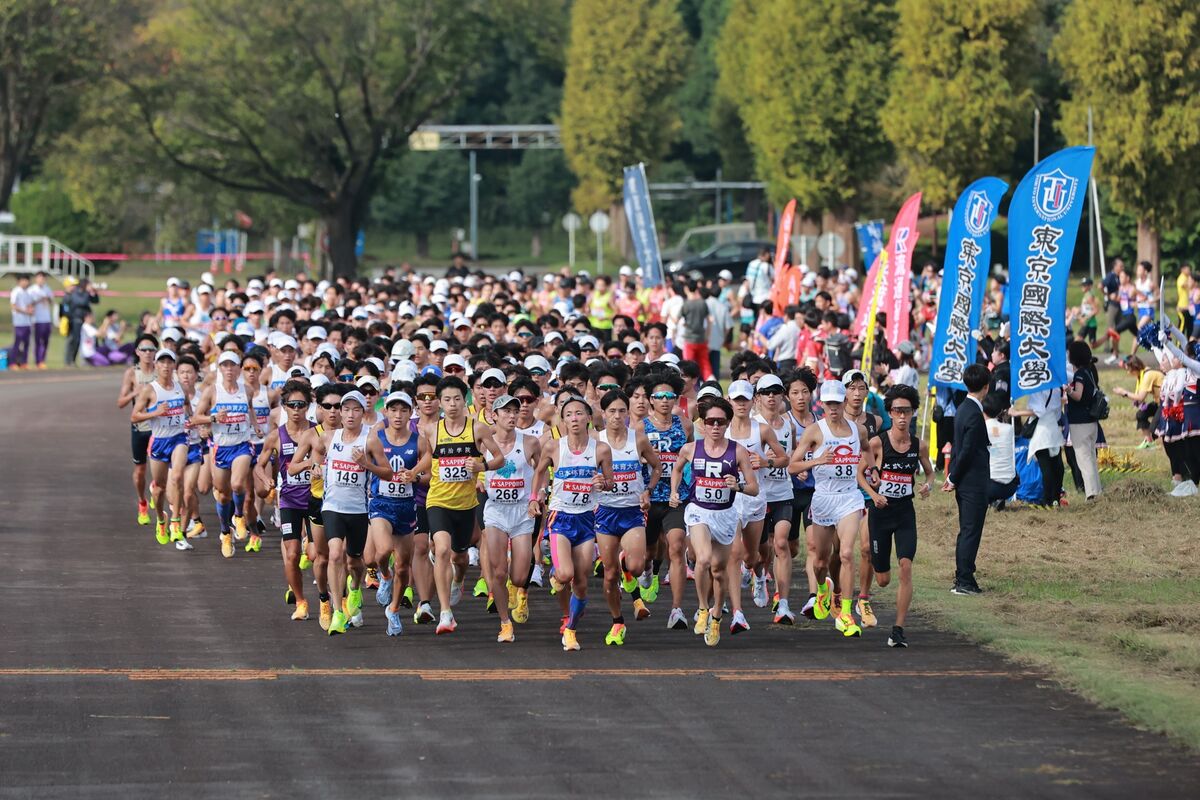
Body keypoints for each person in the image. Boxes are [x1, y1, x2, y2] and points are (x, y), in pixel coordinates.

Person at [670, 395, 760, 647]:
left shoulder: (738, 451)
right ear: (703, 424)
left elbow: (754, 488)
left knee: (719, 571)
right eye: (711, 421)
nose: (716, 426)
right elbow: (677, 468)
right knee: (704, 559)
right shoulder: (691, 449)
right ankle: (701, 608)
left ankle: (717, 614)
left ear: (728, 423)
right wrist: (674, 491)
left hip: (726, 514)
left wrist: (738, 485)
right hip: (699, 511)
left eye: (721, 421)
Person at [421, 375, 505, 635]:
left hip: (466, 505)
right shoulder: (431, 430)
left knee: (459, 555)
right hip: (438, 501)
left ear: (464, 399)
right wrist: (414, 473)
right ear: (440, 403)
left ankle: (459, 578)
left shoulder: (477, 428)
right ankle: (445, 613)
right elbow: (428, 460)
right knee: (442, 549)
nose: (452, 404)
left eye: (457, 398)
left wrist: (482, 467)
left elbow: (500, 458)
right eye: (447, 399)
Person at [530, 393, 613, 651]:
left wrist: (603, 483)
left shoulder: (600, 449)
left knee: (582, 582)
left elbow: (609, 483)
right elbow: (540, 470)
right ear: (563, 420)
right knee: (565, 574)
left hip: (587, 519)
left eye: (579, 413)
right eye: (568, 415)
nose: (574, 418)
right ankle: (558, 576)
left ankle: (571, 629)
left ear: (589, 418)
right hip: (560, 516)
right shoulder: (555, 446)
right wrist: (535, 497)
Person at [860, 385, 934, 648]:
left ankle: (898, 629)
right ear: (890, 413)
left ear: (914, 413)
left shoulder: (919, 446)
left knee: (906, 566)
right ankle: (865, 594)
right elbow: (861, 473)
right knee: (883, 579)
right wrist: (873, 494)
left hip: (905, 513)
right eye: (897, 411)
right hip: (880, 514)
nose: (902, 416)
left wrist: (929, 485)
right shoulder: (878, 442)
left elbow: (929, 472)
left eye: (907, 411)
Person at [793, 380, 868, 637]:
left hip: (849, 498)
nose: (833, 408)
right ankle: (824, 589)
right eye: (829, 403)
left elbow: (868, 453)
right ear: (821, 403)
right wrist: (816, 460)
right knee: (821, 560)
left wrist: (871, 470)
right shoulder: (815, 431)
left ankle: (846, 613)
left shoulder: (859, 430)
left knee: (846, 553)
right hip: (823, 498)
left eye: (838, 403)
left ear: (844, 402)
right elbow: (792, 466)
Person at [594, 389, 660, 645]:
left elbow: (657, 466)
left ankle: (628, 568)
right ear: (603, 413)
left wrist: (648, 490)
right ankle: (617, 621)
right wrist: (594, 481)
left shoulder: (638, 439)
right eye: (612, 411)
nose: (617, 416)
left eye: (622, 411)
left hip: (632, 511)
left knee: (636, 566)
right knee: (610, 575)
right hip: (605, 512)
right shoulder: (595, 442)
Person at [256, 380, 316, 622]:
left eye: (302, 404)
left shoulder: (317, 432)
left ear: (308, 406)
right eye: (292, 405)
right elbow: (260, 465)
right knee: (291, 554)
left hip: (315, 500)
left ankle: (329, 595)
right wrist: (266, 480)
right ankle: (301, 601)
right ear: (284, 407)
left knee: (315, 555)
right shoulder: (275, 436)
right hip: (289, 500)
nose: (297, 409)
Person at [481, 393, 539, 643]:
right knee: (499, 571)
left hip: (522, 511)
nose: (512, 415)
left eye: (515, 411)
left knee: (517, 577)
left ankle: (519, 591)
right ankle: (505, 623)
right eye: (506, 411)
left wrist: (538, 493)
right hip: (495, 510)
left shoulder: (529, 442)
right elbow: (472, 465)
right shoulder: (484, 443)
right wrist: (477, 480)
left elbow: (543, 469)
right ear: (494, 416)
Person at [943, 363, 991, 595]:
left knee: (967, 530)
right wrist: (953, 476)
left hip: (966, 481)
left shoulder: (963, 408)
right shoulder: (973, 413)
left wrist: (953, 476)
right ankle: (964, 580)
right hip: (972, 482)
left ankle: (964, 576)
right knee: (970, 531)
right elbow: (967, 451)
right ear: (986, 387)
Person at [118, 335, 160, 525]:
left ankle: (155, 487)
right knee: (140, 471)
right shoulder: (132, 374)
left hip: (158, 428)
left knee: (159, 468)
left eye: (151, 349)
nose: (148, 353)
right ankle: (142, 501)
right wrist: (138, 392)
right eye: (144, 350)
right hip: (139, 427)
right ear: (137, 352)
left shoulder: (161, 372)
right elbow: (121, 402)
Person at [1065, 341, 1103, 500]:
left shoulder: (1079, 374)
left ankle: (1091, 494)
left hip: (1080, 423)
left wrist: (1068, 390)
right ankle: (1097, 491)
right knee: (1091, 460)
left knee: (1084, 460)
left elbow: (1078, 395)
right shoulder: (1089, 372)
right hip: (1091, 422)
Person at [679, 280, 713, 380]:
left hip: (689, 339)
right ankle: (712, 386)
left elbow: (677, 319)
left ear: (686, 289)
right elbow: (710, 320)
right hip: (701, 339)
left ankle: (690, 390)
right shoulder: (703, 303)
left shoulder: (686, 304)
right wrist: (707, 336)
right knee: (706, 366)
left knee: (687, 368)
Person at [62, 278, 99, 367]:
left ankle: (87, 359)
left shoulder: (86, 294)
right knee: (75, 340)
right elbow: (80, 302)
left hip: (85, 320)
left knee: (89, 340)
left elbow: (96, 301)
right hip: (75, 320)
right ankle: (70, 360)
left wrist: (93, 292)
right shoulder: (74, 294)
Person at [30, 271, 55, 368]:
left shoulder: (47, 288)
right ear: (36, 279)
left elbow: (52, 302)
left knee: (46, 341)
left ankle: (43, 360)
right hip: (36, 319)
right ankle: (38, 361)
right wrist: (40, 299)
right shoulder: (32, 290)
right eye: (39, 278)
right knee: (37, 341)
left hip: (47, 319)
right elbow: (29, 303)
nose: (41, 280)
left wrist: (47, 299)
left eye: (43, 278)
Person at [7, 274, 33, 369]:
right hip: (18, 322)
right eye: (23, 280)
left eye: (27, 280)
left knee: (26, 343)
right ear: (19, 281)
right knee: (17, 343)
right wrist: (25, 311)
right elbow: (13, 306)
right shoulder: (16, 291)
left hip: (27, 322)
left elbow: (30, 304)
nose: (26, 282)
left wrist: (31, 310)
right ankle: (13, 363)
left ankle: (24, 363)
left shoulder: (28, 292)